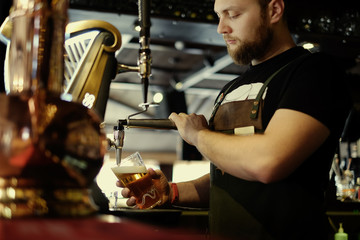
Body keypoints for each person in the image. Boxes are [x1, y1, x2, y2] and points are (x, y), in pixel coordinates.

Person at [117, 0, 352, 239]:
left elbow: (268, 162)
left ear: (274, 11)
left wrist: (198, 135)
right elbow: (230, 177)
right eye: (219, 15)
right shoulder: (230, 88)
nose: (221, 28)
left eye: (233, 14)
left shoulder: (315, 72)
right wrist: (173, 192)